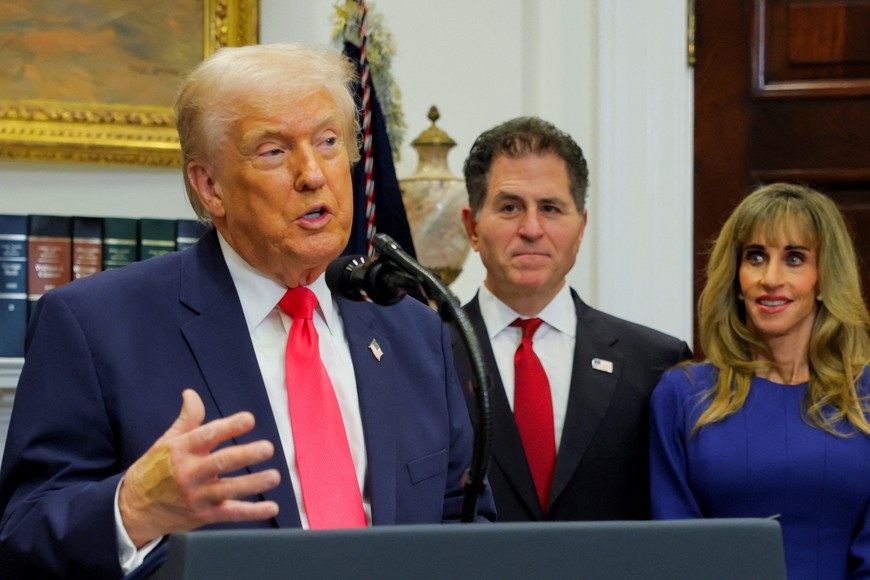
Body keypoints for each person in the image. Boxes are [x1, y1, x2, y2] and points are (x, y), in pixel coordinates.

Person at [0, 43, 493, 579]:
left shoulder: (415, 331)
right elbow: (21, 541)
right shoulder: (94, 326)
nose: (312, 174)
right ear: (210, 187)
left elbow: (465, 525)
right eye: (274, 151)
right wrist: (132, 509)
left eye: (328, 142)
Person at [453, 116, 692, 522]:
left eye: (550, 208)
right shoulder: (428, 356)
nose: (531, 228)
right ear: (472, 227)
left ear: (580, 228)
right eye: (510, 207)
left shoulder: (656, 364)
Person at [649, 183, 870, 578]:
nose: (771, 278)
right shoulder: (683, 394)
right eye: (755, 257)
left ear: (825, 278)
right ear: (736, 278)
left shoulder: (864, 396)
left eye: (795, 258)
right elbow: (674, 548)